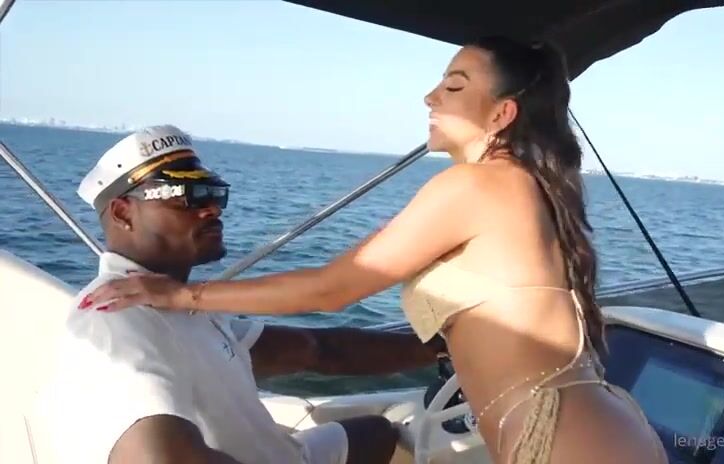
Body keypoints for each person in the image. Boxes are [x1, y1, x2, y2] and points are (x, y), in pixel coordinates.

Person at [83, 38, 668, 464]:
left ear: (501, 113)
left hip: (565, 438)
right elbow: (328, 326)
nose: (430, 96)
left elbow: (334, 288)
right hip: (584, 427)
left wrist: (183, 296)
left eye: (454, 85)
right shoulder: (510, 184)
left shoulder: (479, 184)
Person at [33, 124, 446, 464]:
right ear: (123, 212)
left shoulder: (182, 302)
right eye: (188, 195)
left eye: (214, 193)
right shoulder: (114, 319)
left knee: (379, 434)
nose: (212, 208)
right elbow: (159, 458)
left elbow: (319, 349)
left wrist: (443, 348)